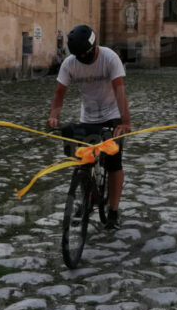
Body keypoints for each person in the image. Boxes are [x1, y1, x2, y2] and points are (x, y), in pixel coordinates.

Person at [47, 25, 131, 230]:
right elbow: (59, 93)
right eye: (79, 57)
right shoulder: (70, 63)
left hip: (112, 116)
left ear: (95, 48)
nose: (83, 60)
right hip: (88, 116)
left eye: (86, 55)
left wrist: (125, 122)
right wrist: (53, 116)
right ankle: (88, 198)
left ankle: (113, 211)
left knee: (114, 163)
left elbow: (120, 91)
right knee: (83, 161)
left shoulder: (110, 58)